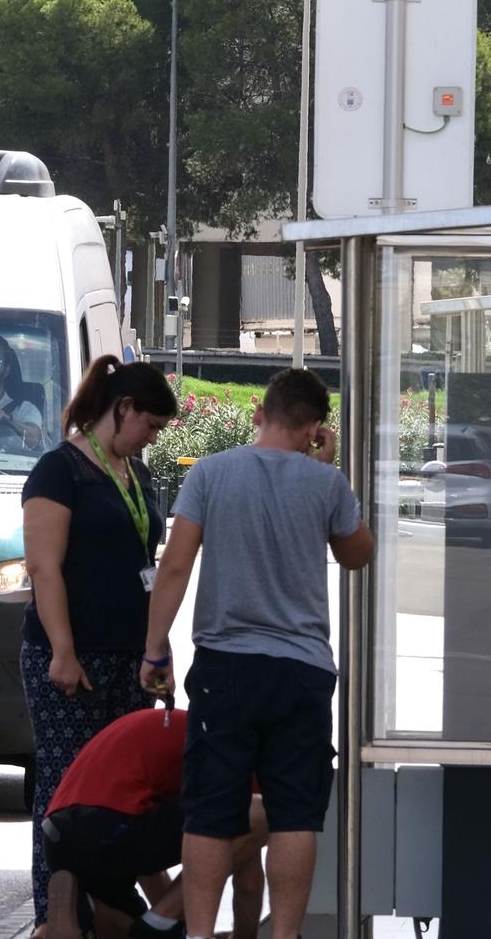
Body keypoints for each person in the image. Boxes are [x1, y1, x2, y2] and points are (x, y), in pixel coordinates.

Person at [141, 368, 373, 939]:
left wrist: (155, 650)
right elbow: (357, 555)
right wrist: (326, 469)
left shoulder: (213, 474)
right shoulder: (326, 484)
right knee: (295, 812)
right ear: (316, 428)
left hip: (226, 666)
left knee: (211, 809)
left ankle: (196, 934)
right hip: (302, 671)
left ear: (257, 414)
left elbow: (176, 564)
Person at [21, 355, 179, 927]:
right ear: (124, 408)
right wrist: (62, 650)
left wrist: (156, 647)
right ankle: (54, 913)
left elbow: (148, 566)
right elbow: (44, 567)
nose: (152, 439)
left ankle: (112, 907)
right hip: (72, 657)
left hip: (130, 656)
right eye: (151, 426)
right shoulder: (59, 470)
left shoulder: (136, 475)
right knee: (67, 788)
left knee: (127, 791)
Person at [37, 706, 266, 939]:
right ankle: (153, 921)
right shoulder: (242, 757)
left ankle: (83, 914)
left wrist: (175, 928)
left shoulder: (187, 729)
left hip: (60, 838)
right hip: (108, 827)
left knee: (133, 930)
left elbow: (149, 863)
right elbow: (249, 882)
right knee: (263, 812)